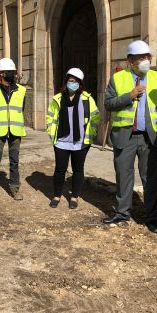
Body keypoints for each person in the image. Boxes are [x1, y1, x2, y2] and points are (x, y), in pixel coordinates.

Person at [103, 40, 157, 232]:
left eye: (147, 57)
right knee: (124, 176)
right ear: (130, 61)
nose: (146, 61)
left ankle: (152, 218)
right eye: (141, 58)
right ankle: (122, 212)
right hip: (125, 136)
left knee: (150, 178)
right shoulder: (117, 78)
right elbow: (108, 104)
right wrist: (129, 96)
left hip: (150, 138)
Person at [46, 68, 100, 209]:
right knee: (60, 170)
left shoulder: (87, 99)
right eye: (71, 81)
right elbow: (50, 116)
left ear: (80, 84)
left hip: (80, 142)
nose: (73, 84)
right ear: (66, 81)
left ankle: (74, 197)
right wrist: (51, 133)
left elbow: (95, 117)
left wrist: (90, 134)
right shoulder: (57, 99)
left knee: (78, 170)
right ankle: (56, 196)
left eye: (76, 82)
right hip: (61, 142)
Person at [0, 58, 26, 201]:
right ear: (0, 73)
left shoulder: (21, 90)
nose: (12, 74)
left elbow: (21, 109)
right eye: (9, 72)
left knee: (14, 161)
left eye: (12, 72)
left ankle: (14, 188)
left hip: (15, 130)